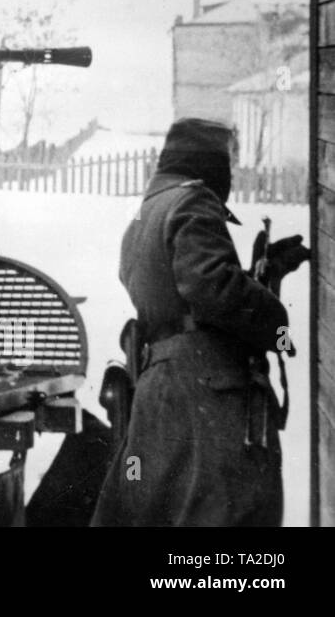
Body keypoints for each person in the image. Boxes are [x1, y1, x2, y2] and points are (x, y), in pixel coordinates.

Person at [91, 118, 308, 526]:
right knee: (224, 513)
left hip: (162, 390)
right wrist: (273, 317)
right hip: (203, 390)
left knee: (161, 510)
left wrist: (264, 274)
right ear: (208, 165)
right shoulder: (192, 201)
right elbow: (213, 289)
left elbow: (185, 293)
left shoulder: (148, 212)